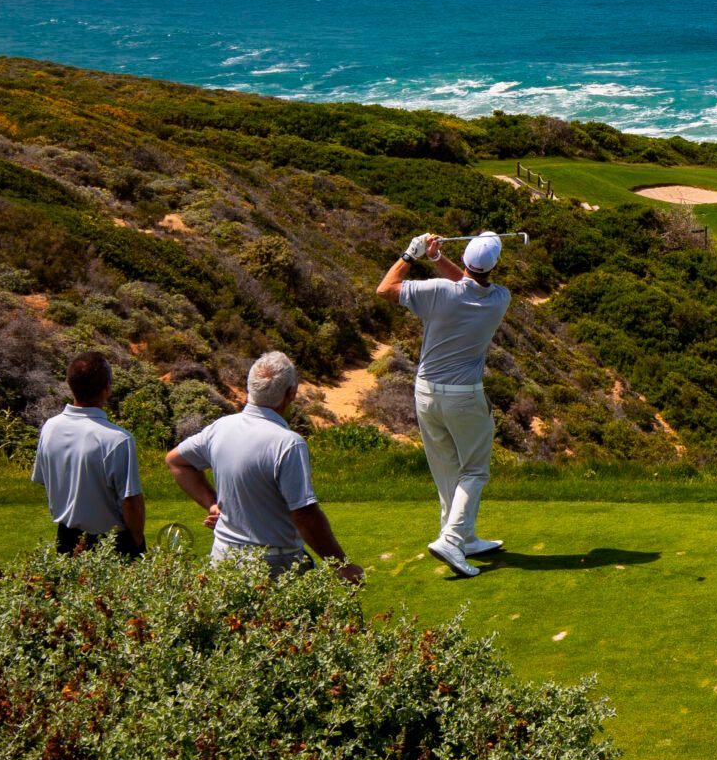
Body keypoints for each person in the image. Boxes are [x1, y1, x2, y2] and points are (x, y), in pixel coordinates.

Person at [377, 229, 513, 578]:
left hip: (425, 393)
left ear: (466, 258)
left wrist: (413, 254)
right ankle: (452, 539)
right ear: (494, 266)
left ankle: (461, 537)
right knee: (474, 470)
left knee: (447, 470)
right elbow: (468, 284)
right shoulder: (499, 298)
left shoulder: (436, 291)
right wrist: (437, 259)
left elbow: (386, 288)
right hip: (464, 397)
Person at [164, 352, 363, 585]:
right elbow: (304, 515)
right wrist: (342, 566)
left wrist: (212, 504)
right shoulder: (288, 443)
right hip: (273, 564)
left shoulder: (221, 427)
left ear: (250, 388)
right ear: (291, 393)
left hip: (223, 557)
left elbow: (176, 461)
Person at [32, 351, 145, 557]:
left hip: (66, 537)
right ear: (107, 387)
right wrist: (137, 543)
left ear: (70, 384)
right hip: (110, 542)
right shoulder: (118, 439)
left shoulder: (50, 427)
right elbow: (131, 502)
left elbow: (43, 479)